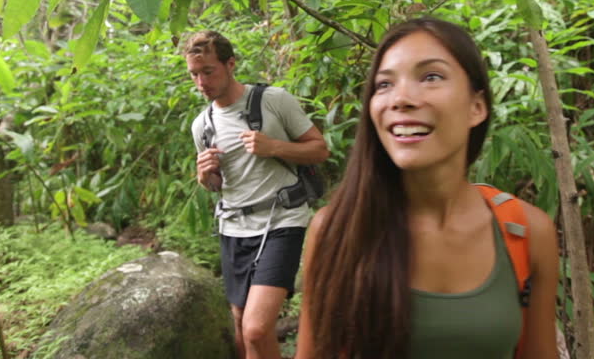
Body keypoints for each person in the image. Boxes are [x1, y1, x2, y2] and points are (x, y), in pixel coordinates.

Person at [296, 18, 559, 359]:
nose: (401, 99)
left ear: (476, 107)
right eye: (384, 84)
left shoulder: (526, 232)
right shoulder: (336, 230)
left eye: (431, 77)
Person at [185, 30, 329, 359]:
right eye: (194, 74)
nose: (201, 82)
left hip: (282, 221)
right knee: (241, 325)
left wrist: (274, 146)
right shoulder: (202, 125)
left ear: (230, 64)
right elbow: (217, 186)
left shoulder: (272, 101)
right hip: (233, 228)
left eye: (208, 71)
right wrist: (205, 177)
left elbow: (320, 150)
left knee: (256, 328)